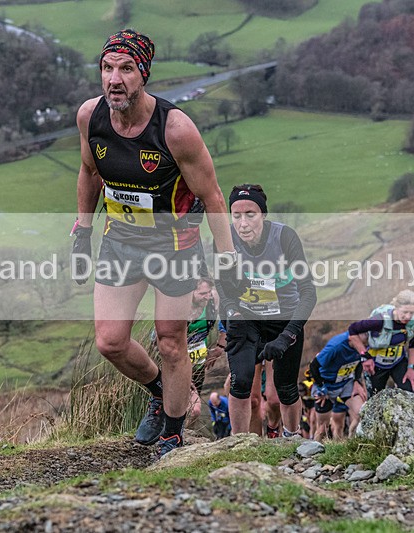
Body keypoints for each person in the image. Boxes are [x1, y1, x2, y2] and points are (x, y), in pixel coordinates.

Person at [71, 29, 246, 458]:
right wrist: (83, 231)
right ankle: (162, 394)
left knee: (171, 339)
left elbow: (213, 196)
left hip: (174, 246)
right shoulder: (90, 117)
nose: (115, 79)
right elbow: (90, 173)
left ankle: (172, 432)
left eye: (126, 69)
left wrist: (227, 260)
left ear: (143, 74)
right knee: (110, 341)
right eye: (107, 68)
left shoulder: (176, 129)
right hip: (120, 241)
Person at [217, 184, 317, 437]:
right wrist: (233, 315)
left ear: (263, 215)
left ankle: (292, 438)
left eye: (250, 214)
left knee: (283, 390)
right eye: (236, 215)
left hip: (283, 318)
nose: (243, 223)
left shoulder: (285, 238)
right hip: (246, 317)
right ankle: (237, 444)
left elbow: (308, 292)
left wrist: (287, 335)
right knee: (240, 382)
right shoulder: (225, 239)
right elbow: (224, 288)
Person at [350, 290, 414, 395]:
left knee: (409, 392)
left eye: (411, 313)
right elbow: (352, 331)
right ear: (396, 307)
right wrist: (365, 356)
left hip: (398, 361)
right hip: (375, 364)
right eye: (404, 312)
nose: (408, 316)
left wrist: (411, 367)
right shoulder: (378, 320)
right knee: (375, 396)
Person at [310, 331, 369, 439]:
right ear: (355, 338)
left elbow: (360, 362)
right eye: (364, 344)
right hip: (326, 385)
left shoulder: (366, 345)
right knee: (323, 429)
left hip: (346, 383)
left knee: (363, 413)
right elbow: (313, 366)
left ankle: (352, 444)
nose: (364, 348)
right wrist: (321, 387)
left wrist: (357, 381)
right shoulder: (336, 346)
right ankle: (312, 453)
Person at [185, 277, 227, 422]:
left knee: (191, 408)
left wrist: (219, 348)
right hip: (176, 364)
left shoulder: (212, 301)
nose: (206, 297)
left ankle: (184, 437)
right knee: (194, 410)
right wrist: (181, 372)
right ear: (190, 292)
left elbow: (226, 320)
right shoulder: (179, 307)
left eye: (208, 292)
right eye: (202, 293)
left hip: (198, 365)